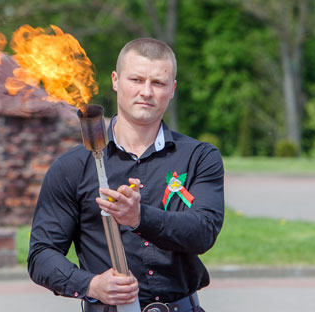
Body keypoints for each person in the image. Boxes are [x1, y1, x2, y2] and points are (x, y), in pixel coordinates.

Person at [28, 38, 224, 312]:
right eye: (136, 79)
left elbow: (203, 232)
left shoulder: (199, 157)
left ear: (172, 90)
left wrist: (140, 217)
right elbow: (41, 255)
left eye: (158, 83)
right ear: (116, 80)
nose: (146, 91)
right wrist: (91, 285)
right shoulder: (73, 166)